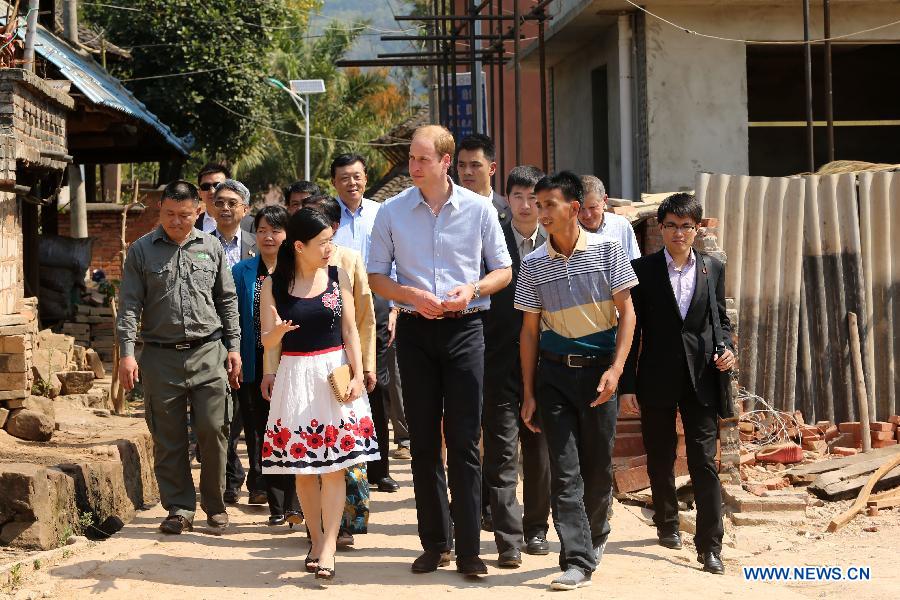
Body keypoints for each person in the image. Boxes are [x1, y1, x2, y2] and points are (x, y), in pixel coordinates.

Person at [368, 124, 512, 577]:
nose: (413, 167)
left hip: (467, 330)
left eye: (422, 159)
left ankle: (470, 550)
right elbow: (376, 277)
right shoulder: (391, 213)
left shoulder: (478, 210)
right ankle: (435, 543)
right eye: (411, 158)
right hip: (414, 332)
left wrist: (472, 289)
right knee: (424, 442)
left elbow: (503, 270)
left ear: (445, 162)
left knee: (466, 441)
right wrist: (412, 297)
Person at [516, 171, 638, 590]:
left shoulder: (608, 252)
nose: (540, 211)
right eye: (537, 203)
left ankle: (596, 534)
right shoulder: (532, 265)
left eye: (549, 204)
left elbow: (629, 315)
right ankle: (576, 559)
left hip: (599, 375)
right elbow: (529, 332)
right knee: (564, 471)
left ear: (573, 208)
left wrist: (616, 370)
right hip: (552, 377)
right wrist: (529, 391)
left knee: (598, 468)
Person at [260, 207, 378, 581]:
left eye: (331, 240)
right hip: (295, 376)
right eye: (323, 242)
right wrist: (277, 334)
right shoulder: (272, 285)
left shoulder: (338, 275)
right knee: (306, 471)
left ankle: (328, 546)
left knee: (335, 468)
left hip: (333, 375)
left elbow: (350, 330)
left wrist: (359, 374)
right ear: (298, 246)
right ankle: (315, 538)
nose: (330, 248)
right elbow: (266, 340)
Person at [620, 193, 735, 575]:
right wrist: (628, 384)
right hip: (656, 376)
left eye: (687, 226)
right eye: (671, 225)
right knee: (660, 455)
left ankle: (710, 547)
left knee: (703, 461)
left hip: (701, 378)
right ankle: (667, 522)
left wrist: (727, 350)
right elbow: (632, 332)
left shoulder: (712, 269)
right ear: (661, 228)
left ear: (697, 229)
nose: (679, 233)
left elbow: (720, 321)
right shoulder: (643, 270)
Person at [117, 179, 241, 534]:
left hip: (208, 352)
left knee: (214, 429)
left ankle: (215, 506)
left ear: (198, 212)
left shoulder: (211, 247)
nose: (176, 221)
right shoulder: (141, 251)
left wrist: (233, 348)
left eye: (184, 215)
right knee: (168, 437)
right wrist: (128, 354)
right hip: (159, 356)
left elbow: (227, 301)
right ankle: (180, 507)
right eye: (169, 214)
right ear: (160, 211)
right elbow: (128, 305)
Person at [298, 193, 379, 546]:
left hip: (344, 368)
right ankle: (316, 527)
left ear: (334, 226)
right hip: (302, 370)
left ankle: (348, 523)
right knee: (311, 448)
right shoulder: (292, 263)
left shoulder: (349, 261)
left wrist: (366, 367)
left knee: (347, 449)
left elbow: (363, 319)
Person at [482, 165, 548, 568]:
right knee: (502, 453)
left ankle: (536, 528)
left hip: (544, 367)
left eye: (533, 198)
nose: (526, 206)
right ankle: (508, 539)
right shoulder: (491, 243)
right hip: (498, 363)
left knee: (539, 453)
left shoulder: (558, 245)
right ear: (507, 199)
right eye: (518, 197)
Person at [330, 153, 401, 495]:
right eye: (344, 177)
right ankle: (343, 465)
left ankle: (380, 469)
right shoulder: (326, 218)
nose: (352, 183)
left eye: (357, 176)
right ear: (334, 182)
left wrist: (395, 307)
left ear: (366, 177)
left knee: (378, 387)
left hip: (377, 307)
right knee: (341, 386)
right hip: (335, 311)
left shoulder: (381, 213)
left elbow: (396, 260)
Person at [232, 205, 302, 525]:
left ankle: (295, 502)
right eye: (261, 230)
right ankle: (274, 504)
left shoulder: (298, 272)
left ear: (287, 236)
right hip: (252, 361)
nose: (268, 236)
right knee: (259, 432)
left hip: (291, 363)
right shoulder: (242, 271)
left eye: (275, 230)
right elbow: (233, 318)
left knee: (291, 430)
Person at [211, 179, 257, 505]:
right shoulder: (199, 244)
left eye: (232, 203)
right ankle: (230, 478)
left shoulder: (260, 245)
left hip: (253, 341)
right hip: (212, 339)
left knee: (250, 413)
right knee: (219, 415)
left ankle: (258, 481)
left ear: (245, 209)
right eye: (220, 202)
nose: (225, 208)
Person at [577, 175, 640, 261]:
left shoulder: (621, 226)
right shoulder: (567, 233)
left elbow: (634, 264)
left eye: (592, 207)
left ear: (604, 200)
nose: (587, 215)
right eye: (581, 209)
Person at [456, 133, 509, 223]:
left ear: (492, 169)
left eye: (475, 165)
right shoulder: (448, 209)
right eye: (462, 165)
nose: (467, 172)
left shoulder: (510, 211)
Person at [196, 162, 256, 233]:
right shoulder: (192, 224)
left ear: (230, 188)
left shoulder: (250, 224)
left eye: (218, 185)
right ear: (199, 192)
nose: (212, 191)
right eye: (205, 186)